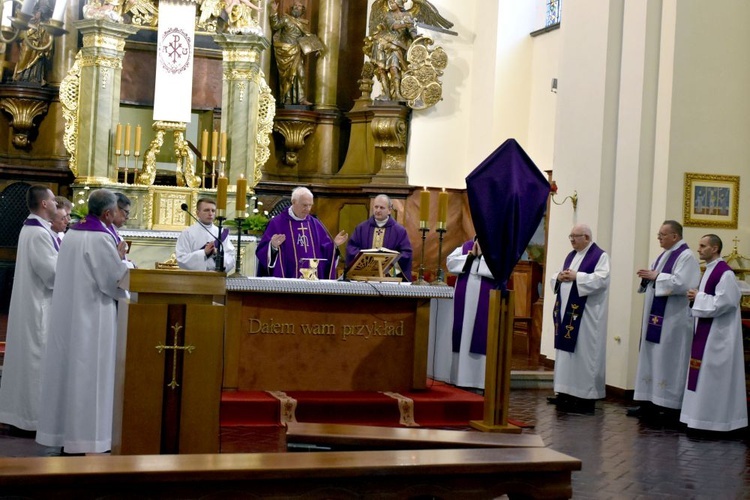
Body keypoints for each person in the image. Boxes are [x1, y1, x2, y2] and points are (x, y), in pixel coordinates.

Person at [36, 189, 130, 454]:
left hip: (68, 313)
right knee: (90, 376)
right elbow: (111, 281)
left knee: (69, 373)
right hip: (93, 316)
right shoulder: (100, 238)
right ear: (107, 213)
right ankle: (88, 438)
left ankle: (64, 434)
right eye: (115, 212)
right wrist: (122, 262)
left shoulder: (73, 233)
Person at [0, 186, 59, 432]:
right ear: (44, 204)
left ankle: (22, 416)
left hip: (36, 302)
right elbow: (52, 273)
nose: (57, 204)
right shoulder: (38, 233)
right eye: (54, 200)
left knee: (31, 360)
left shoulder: (36, 229)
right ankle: (31, 420)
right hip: (39, 306)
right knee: (36, 361)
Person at [630, 220, 700, 421]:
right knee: (652, 357)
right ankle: (648, 403)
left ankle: (668, 407)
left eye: (662, 234)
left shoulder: (686, 257)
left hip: (673, 321)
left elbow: (683, 284)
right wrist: (648, 277)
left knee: (668, 360)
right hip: (657, 319)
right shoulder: (664, 255)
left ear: (675, 236)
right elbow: (657, 278)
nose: (659, 237)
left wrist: (656, 276)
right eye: (659, 234)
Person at [680, 234, 747, 432]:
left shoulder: (724, 273)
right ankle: (698, 418)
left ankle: (715, 422)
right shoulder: (709, 270)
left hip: (719, 335)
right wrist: (698, 297)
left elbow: (724, 303)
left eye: (703, 246)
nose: (698, 249)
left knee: (714, 377)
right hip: (706, 333)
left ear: (715, 248)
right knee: (703, 375)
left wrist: (697, 296)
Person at [547, 224, 610, 414]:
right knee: (566, 355)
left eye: (576, 236)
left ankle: (585, 398)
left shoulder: (600, 256)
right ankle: (565, 393)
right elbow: (556, 277)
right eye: (570, 236)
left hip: (587, 317)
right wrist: (559, 276)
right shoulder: (571, 256)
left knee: (583, 354)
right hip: (569, 314)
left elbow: (602, 280)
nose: (572, 240)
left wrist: (577, 277)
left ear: (587, 238)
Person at [256, 186, 347, 279]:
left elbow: (324, 251)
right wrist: (273, 246)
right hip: (287, 281)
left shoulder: (315, 223)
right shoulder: (277, 223)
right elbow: (262, 252)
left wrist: (334, 245)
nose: (308, 209)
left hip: (312, 282)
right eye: (304, 205)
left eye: (310, 205)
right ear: (294, 202)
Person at [445, 237, 499, 389]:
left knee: (479, 334)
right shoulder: (467, 245)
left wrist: (482, 256)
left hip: (486, 299)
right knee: (461, 334)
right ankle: (458, 379)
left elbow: (501, 270)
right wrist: (470, 256)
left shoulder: (497, 245)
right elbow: (450, 262)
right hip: (463, 299)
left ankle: (478, 381)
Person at [345, 194, 412, 281]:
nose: (378, 210)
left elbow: (406, 253)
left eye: (381, 207)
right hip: (364, 276)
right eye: (376, 207)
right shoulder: (361, 228)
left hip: (389, 277)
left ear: (389, 210)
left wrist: (389, 261)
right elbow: (351, 248)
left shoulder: (399, 231)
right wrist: (362, 258)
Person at [270, 1, 321, 105]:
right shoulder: (286, 19)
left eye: (299, 7)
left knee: (301, 74)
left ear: (302, 10)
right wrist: (274, 12)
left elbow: (308, 36)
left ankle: (301, 99)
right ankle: (287, 98)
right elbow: (275, 26)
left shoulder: (302, 24)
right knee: (287, 76)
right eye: (295, 6)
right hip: (285, 51)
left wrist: (317, 47)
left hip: (297, 51)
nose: (296, 8)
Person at [176, 198, 236, 272]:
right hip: (194, 278)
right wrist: (204, 253)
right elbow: (181, 259)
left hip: (217, 277)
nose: (210, 213)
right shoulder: (188, 233)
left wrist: (217, 254)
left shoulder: (221, 233)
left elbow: (231, 259)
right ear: (197, 213)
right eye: (206, 210)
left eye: (213, 211)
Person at [109, 192, 135, 269]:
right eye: (126, 212)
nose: (127, 217)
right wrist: (131, 265)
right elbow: (109, 263)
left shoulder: (112, 231)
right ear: (115, 209)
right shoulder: (105, 234)